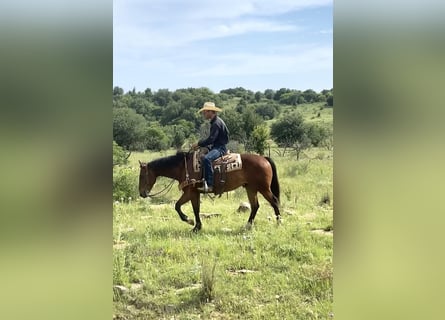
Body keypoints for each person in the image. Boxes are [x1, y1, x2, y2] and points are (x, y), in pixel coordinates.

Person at [192, 102, 229, 193]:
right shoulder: (215, 121)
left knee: (206, 159)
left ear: (210, 112)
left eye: (205, 112)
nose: (203, 114)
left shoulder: (216, 123)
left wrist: (198, 143)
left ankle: (210, 185)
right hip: (216, 146)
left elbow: (211, 139)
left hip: (220, 148)